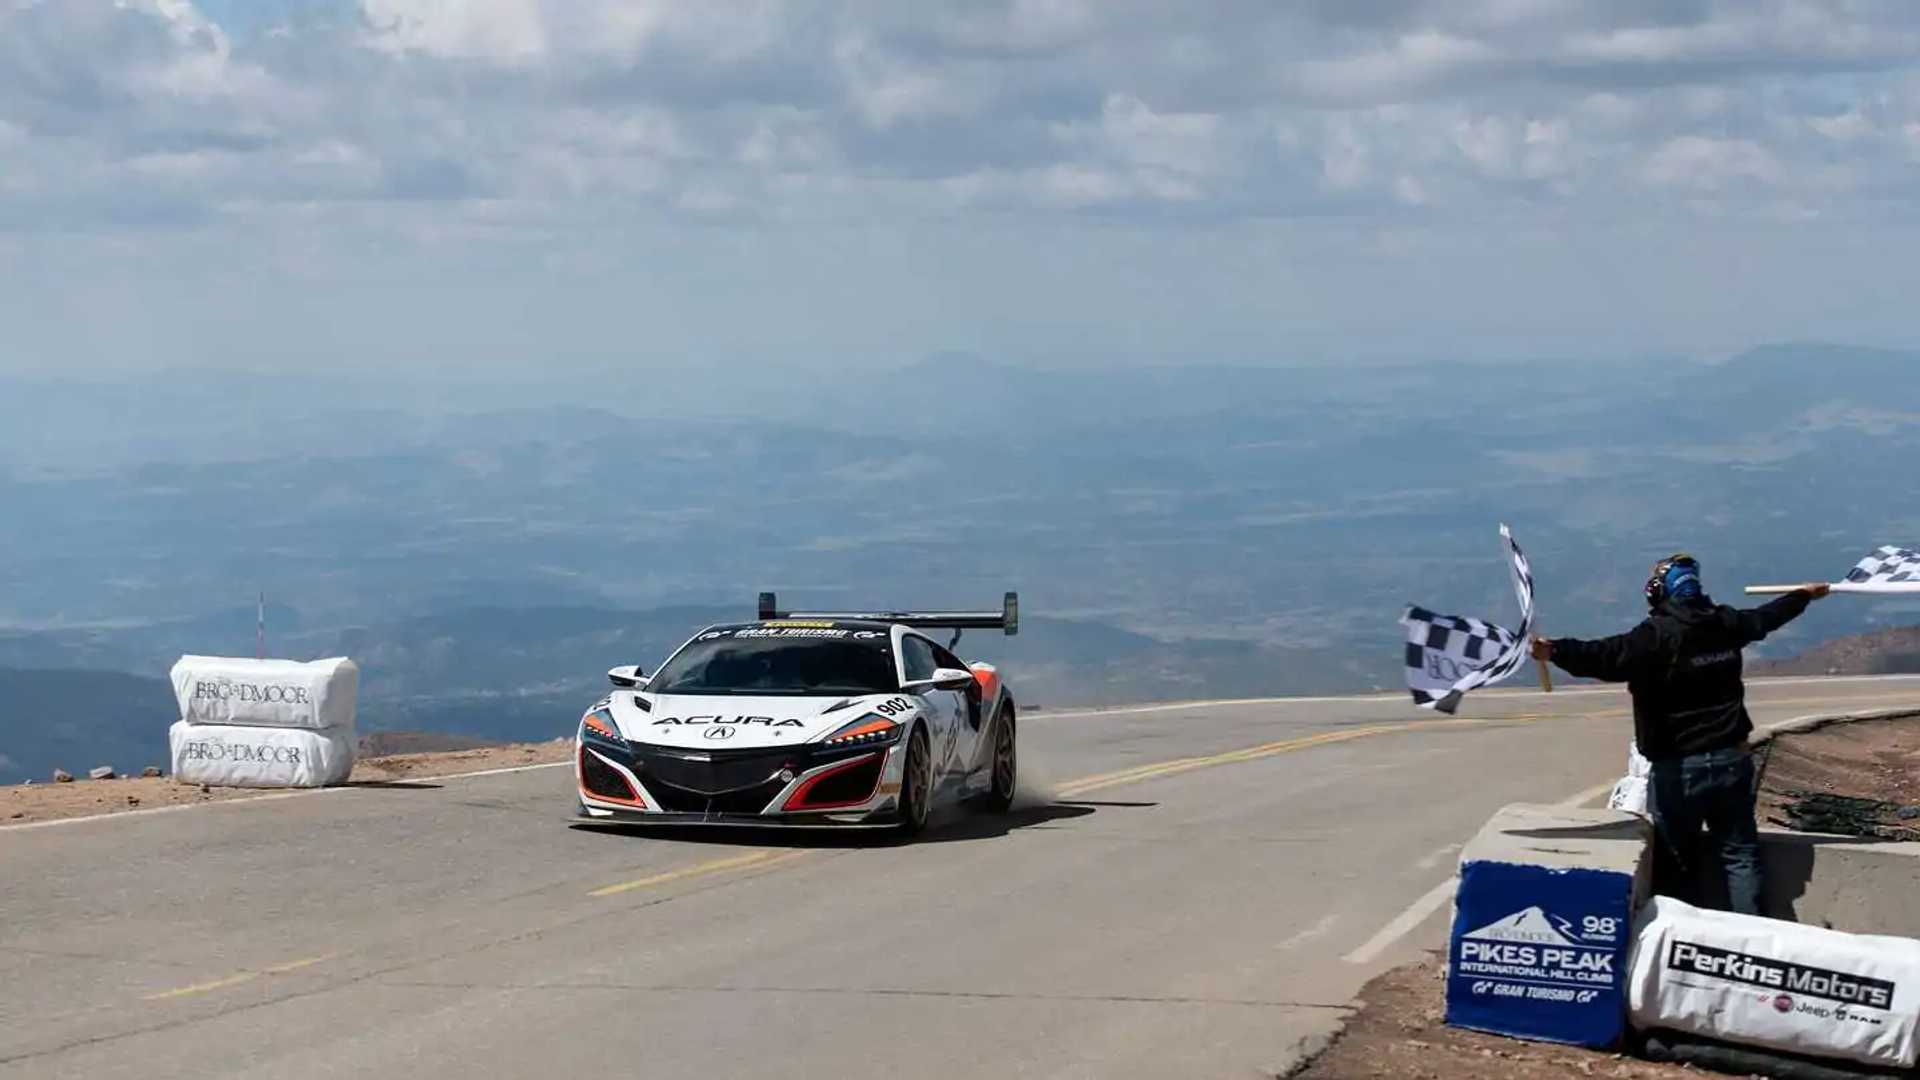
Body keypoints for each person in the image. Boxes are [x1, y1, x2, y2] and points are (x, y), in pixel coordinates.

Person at [1530, 555, 1830, 917]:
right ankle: (1746, 935)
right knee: (1739, 854)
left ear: (1659, 592)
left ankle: (1680, 937)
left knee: (1676, 861)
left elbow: (1606, 656)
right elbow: (1767, 617)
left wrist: (1556, 651)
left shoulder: (1656, 636)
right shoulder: (1726, 622)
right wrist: (1802, 596)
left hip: (1678, 766)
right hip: (1731, 761)